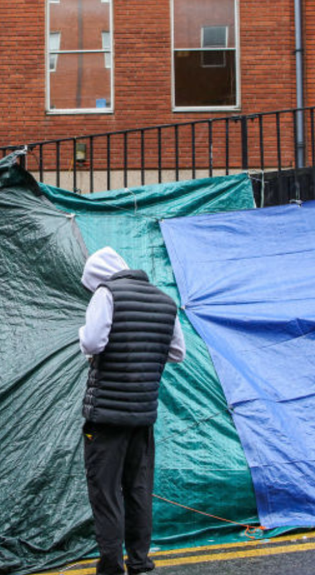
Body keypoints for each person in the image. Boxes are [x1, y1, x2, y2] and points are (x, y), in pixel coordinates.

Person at [78, 246, 185, 575]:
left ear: (98, 278)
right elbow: (177, 352)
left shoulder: (106, 294)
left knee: (106, 492)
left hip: (106, 418)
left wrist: (83, 334)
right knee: (138, 488)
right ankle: (139, 560)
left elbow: (92, 343)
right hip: (143, 415)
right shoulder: (165, 302)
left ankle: (111, 566)